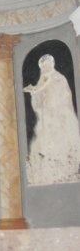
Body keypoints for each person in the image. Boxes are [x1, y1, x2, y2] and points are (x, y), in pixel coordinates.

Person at [24, 54, 80, 185]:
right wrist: (34, 93)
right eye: (43, 67)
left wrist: (35, 90)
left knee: (60, 142)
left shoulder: (58, 78)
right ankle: (50, 169)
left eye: (46, 66)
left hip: (59, 116)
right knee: (45, 143)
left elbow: (49, 90)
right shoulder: (44, 78)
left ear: (51, 64)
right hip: (47, 116)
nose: (45, 69)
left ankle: (63, 169)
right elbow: (39, 100)